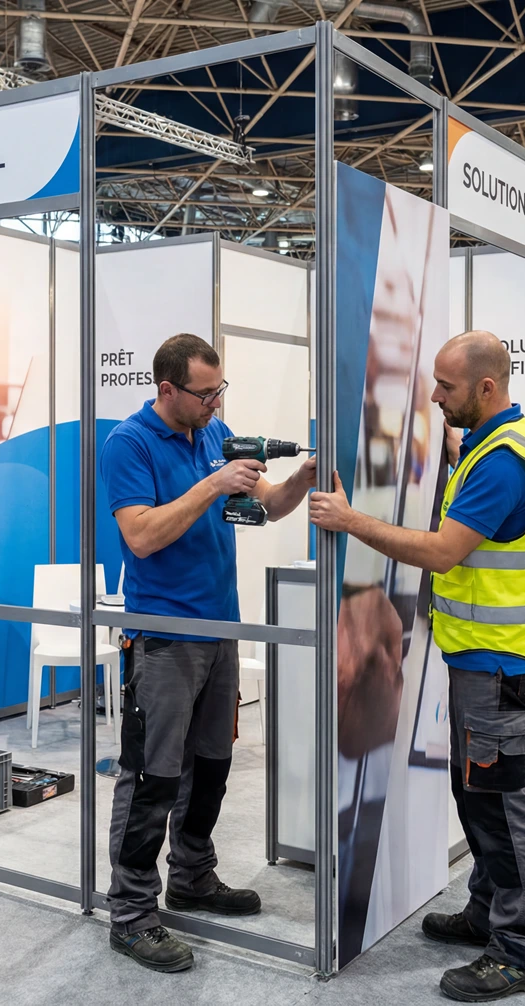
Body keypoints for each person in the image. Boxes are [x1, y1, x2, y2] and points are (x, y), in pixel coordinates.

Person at [310, 330, 525, 1003]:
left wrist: (351, 520)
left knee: (504, 805)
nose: (434, 396)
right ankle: (488, 911)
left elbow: (445, 551)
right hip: (481, 659)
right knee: (476, 792)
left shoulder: (506, 461)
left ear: (486, 388)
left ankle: (519, 949)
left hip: (500, 664)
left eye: (446, 387)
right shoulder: (489, 443)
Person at [100, 333, 316, 973]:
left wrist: (300, 481)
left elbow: (265, 508)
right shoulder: (130, 444)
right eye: (204, 393)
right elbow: (140, 537)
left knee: (212, 769)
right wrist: (211, 484)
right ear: (167, 389)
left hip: (219, 629)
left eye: (221, 390)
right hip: (163, 638)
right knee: (151, 778)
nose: (216, 403)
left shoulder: (212, 437)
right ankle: (133, 912)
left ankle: (192, 875)